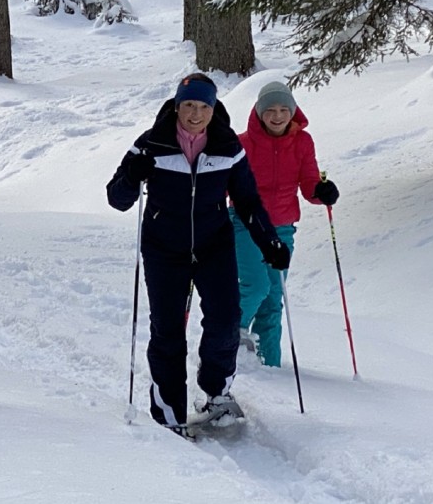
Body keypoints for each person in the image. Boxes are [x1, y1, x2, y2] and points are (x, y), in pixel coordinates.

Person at [106, 73, 289, 438]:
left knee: (226, 319)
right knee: (168, 329)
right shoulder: (151, 143)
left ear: (213, 108)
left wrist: (269, 241)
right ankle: (169, 413)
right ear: (177, 106)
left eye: (203, 106)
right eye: (188, 105)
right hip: (164, 248)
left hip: (213, 245)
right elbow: (118, 198)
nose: (195, 114)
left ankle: (217, 392)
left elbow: (248, 199)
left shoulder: (227, 146)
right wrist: (132, 174)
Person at [233, 81, 339, 367]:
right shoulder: (242, 143)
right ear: (259, 112)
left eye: (283, 110)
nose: (277, 116)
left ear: (292, 112)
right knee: (256, 286)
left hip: (282, 227)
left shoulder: (302, 142)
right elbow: (228, 184)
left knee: (273, 298)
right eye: (271, 110)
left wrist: (322, 191)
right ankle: (229, 338)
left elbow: (309, 184)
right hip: (246, 224)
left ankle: (270, 366)